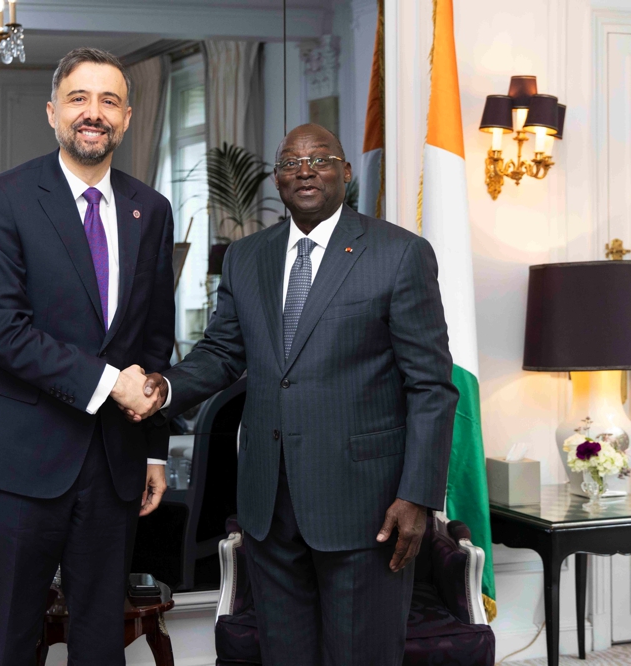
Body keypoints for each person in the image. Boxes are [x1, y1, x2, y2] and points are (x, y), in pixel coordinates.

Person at [138, 123, 459, 665]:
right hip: (269, 506)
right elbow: (222, 352)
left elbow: (430, 385)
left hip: (367, 506)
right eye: (291, 162)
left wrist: (418, 496)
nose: (305, 171)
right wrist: (163, 388)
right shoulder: (246, 257)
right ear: (277, 178)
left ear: (345, 172)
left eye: (320, 159)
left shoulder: (399, 253)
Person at [0, 47, 174, 665]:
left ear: (126, 118)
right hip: (16, 460)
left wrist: (154, 447)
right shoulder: (2, 199)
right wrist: (110, 383)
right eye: (79, 98)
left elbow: (154, 338)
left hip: (113, 461)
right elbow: (4, 332)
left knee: (101, 644)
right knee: (11, 643)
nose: (93, 113)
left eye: (109, 101)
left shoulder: (151, 209)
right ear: (53, 112)